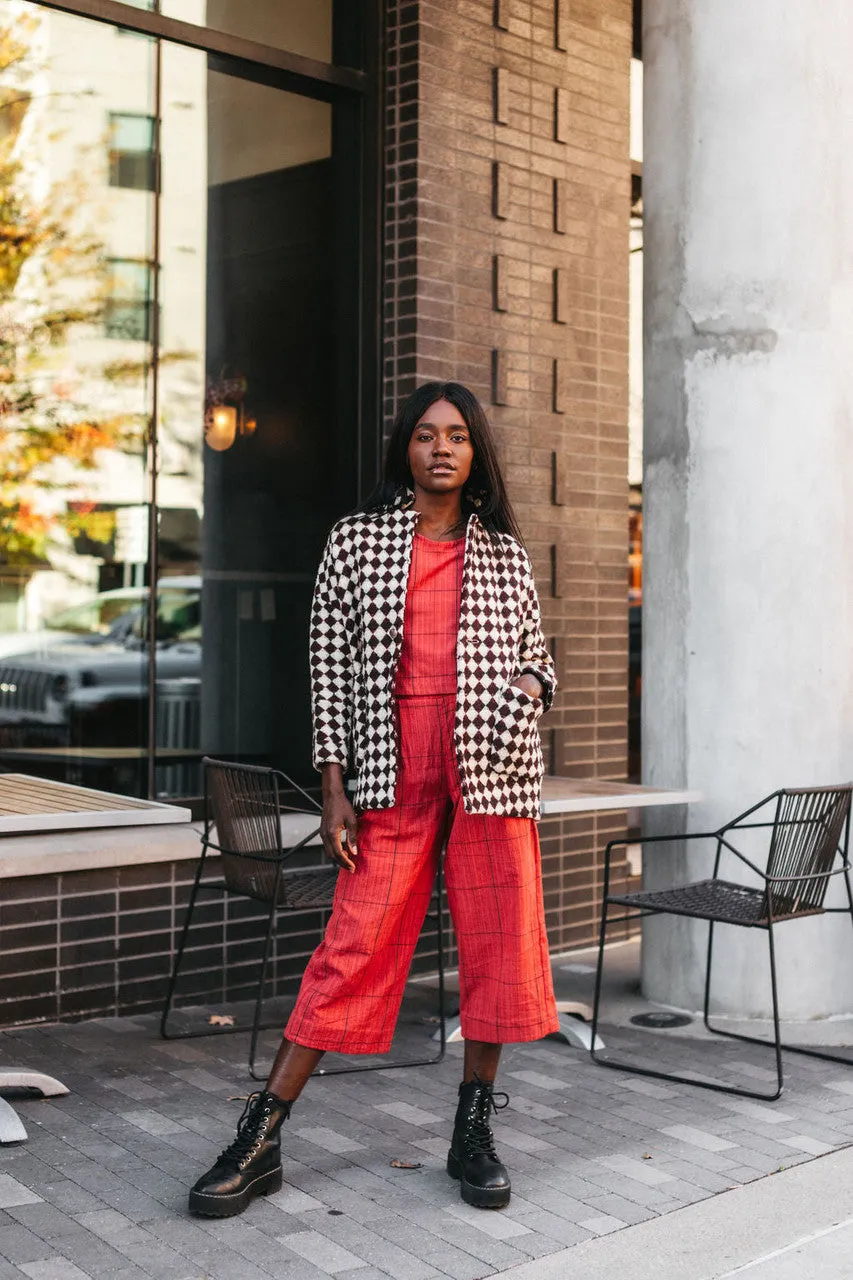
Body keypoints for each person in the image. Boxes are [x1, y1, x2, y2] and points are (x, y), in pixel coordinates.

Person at [188, 381, 559, 1219]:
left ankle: (472, 1127)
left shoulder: (500, 548)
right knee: (352, 945)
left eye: (457, 436)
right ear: (405, 449)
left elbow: (538, 652)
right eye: (426, 435)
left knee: (497, 947)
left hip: (491, 768)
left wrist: (529, 686)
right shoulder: (356, 542)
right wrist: (333, 787)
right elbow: (325, 671)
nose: (441, 448)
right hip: (391, 767)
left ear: (474, 454)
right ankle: (262, 1134)